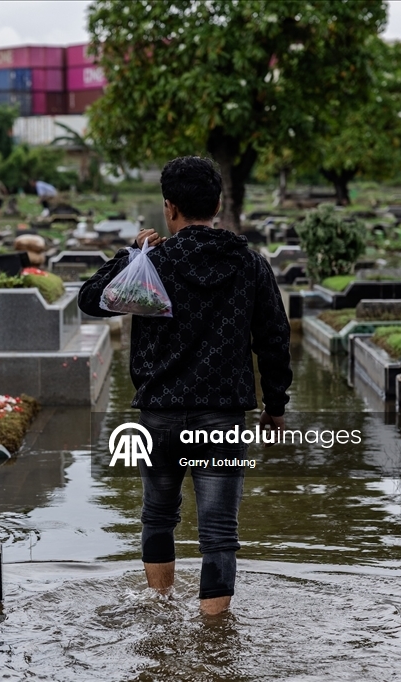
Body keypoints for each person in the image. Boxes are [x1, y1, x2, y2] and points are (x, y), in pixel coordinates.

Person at [77, 156, 292, 616]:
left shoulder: (152, 264)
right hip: (222, 418)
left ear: (169, 207)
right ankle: (215, 640)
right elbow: (273, 339)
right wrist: (275, 405)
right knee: (219, 532)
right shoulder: (250, 265)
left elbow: (92, 300)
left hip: (159, 417)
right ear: (217, 204)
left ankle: (160, 612)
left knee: (158, 517)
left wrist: (130, 255)